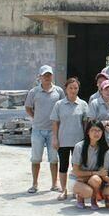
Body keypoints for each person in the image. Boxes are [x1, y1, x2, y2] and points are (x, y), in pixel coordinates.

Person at [25, 65, 65, 194]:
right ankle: (35, 184)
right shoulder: (34, 92)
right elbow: (28, 108)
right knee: (36, 158)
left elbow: (62, 108)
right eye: (44, 75)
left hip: (53, 131)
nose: (47, 77)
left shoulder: (58, 91)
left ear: (52, 76)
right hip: (38, 130)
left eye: (49, 75)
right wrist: (35, 117)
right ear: (40, 77)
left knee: (54, 159)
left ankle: (54, 184)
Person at [50, 76, 88, 201]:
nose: (73, 90)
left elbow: (86, 124)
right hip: (63, 140)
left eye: (75, 88)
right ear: (66, 89)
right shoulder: (59, 104)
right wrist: (55, 138)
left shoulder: (83, 104)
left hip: (79, 142)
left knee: (77, 167)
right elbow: (55, 123)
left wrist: (86, 141)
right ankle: (64, 190)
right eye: (70, 88)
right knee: (63, 166)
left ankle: (76, 191)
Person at [71, 120, 107, 210]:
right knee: (88, 191)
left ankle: (93, 200)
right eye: (93, 130)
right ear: (87, 132)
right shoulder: (79, 146)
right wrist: (95, 173)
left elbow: (103, 171)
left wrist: (93, 175)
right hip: (77, 179)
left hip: (90, 178)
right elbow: (76, 171)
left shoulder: (103, 147)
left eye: (99, 130)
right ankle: (80, 198)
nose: (96, 133)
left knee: (96, 180)